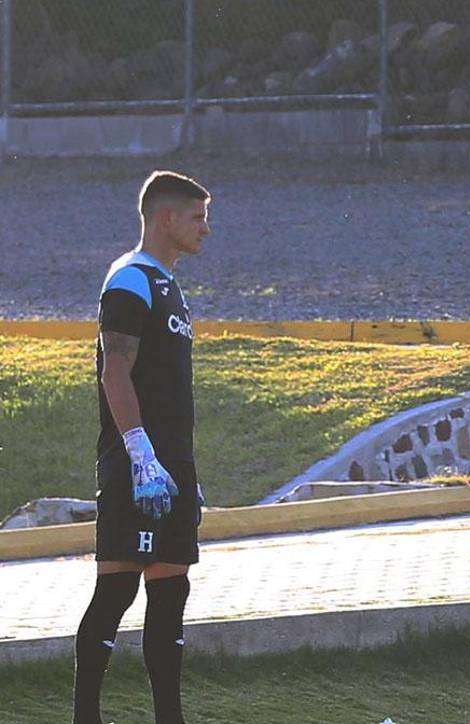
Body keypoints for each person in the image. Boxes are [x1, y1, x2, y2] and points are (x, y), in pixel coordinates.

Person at [74, 170, 211, 724]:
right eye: (198, 218)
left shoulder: (169, 284)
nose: (206, 229)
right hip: (138, 463)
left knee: (171, 593)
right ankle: (86, 716)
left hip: (172, 464)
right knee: (116, 591)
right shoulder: (129, 278)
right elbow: (116, 372)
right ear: (166, 219)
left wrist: (180, 466)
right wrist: (141, 455)